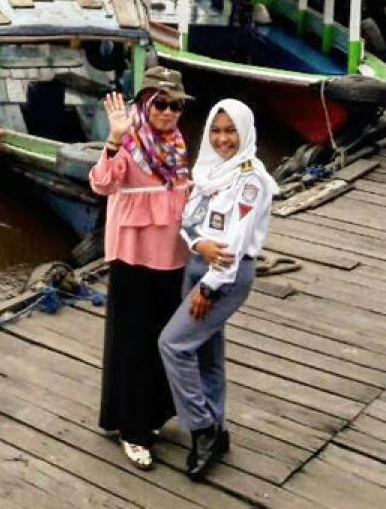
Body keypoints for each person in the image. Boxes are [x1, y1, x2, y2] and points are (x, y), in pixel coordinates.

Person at [158, 98, 277, 480]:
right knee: (205, 351)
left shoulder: (250, 179)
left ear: (245, 133)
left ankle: (201, 428)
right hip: (197, 265)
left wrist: (210, 287)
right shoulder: (209, 172)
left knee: (173, 344)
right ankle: (218, 427)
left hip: (222, 277)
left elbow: (236, 243)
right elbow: (187, 222)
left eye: (231, 131)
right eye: (216, 130)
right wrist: (198, 247)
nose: (223, 139)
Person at [89, 66, 197, 470]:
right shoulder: (131, 141)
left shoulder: (177, 143)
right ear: (146, 103)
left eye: (176, 105)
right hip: (134, 257)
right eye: (161, 104)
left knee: (162, 342)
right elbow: (101, 183)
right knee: (131, 344)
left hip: (172, 257)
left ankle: (150, 417)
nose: (168, 113)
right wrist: (114, 138)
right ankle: (131, 429)